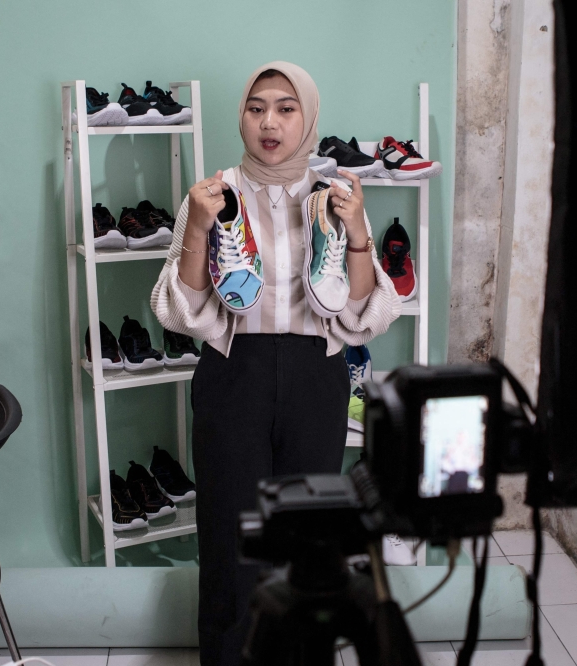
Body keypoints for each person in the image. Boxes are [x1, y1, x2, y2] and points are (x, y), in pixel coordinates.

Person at [151, 61, 402, 666]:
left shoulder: (334, 197)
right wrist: (198, 229)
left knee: (307, 537)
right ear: (241, 114)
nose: (269, 122)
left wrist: (359, 234)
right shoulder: (212, 195)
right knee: (231, 535)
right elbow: (180, 312)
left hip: (317, 372)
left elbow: (366, 312)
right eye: (257, 106)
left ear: (309, 119)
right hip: (234, 371)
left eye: (286, 109)